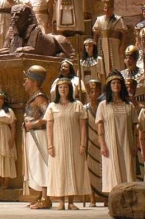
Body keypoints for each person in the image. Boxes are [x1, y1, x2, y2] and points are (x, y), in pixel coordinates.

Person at [45, 77, 89, 210]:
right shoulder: (52, 106)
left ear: (70, 89)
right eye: (60, 87)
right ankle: (60, 201)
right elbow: (49, 127)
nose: (63, 89)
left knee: (73, 168)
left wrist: (83, 144)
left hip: (74, 142)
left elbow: (83, 126)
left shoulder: (77, 105)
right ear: (57, 90)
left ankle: (70, 201)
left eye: (65, 87)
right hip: (58, 143)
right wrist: (50, 145)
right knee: (59, 169)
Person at [97, 74, 137, 195]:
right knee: (112, 170)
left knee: (127, 169)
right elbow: (100, 127)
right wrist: (102, 145)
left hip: (126, 141)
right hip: (110, 143)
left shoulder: (129, 105)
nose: (116, 85)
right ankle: (114, 199)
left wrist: (135, 144)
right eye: (113, 83)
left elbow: (134, 127)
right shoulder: (103, 105)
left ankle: (128, 198)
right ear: (109, 86)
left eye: (118, 83)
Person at [24, 65, 51, 209]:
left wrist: (33, 124)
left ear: (34, 82)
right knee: (36, 163)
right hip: (33, 134)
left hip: (39, 134)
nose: (24, 82)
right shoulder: (34, 97)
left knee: (41, 163)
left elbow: (48, 116)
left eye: (27, 79)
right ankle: (41, 195)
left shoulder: (40, 97)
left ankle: (46, 198)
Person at [93, 0, 128, 74]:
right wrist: (95, 46)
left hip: (115, 45)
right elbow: (95, 33)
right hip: (102, 44)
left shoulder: (119, 19)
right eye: (105, 8)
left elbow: (124, 33)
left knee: (116, 63)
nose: (107, 10)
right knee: (104, 65)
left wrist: (122, 45)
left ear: (112, 9)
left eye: (109, 8)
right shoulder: (99, 19)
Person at [83, 79, 104, 207]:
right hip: (90, 140)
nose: (94, 94)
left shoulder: (103, 106)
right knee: (90, 170)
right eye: (91, 91)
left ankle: (105, 196)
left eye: (96, 91)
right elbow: (83, 126)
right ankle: (92, 197)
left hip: (102, 140)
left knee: (103, 169)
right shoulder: (85, 108)